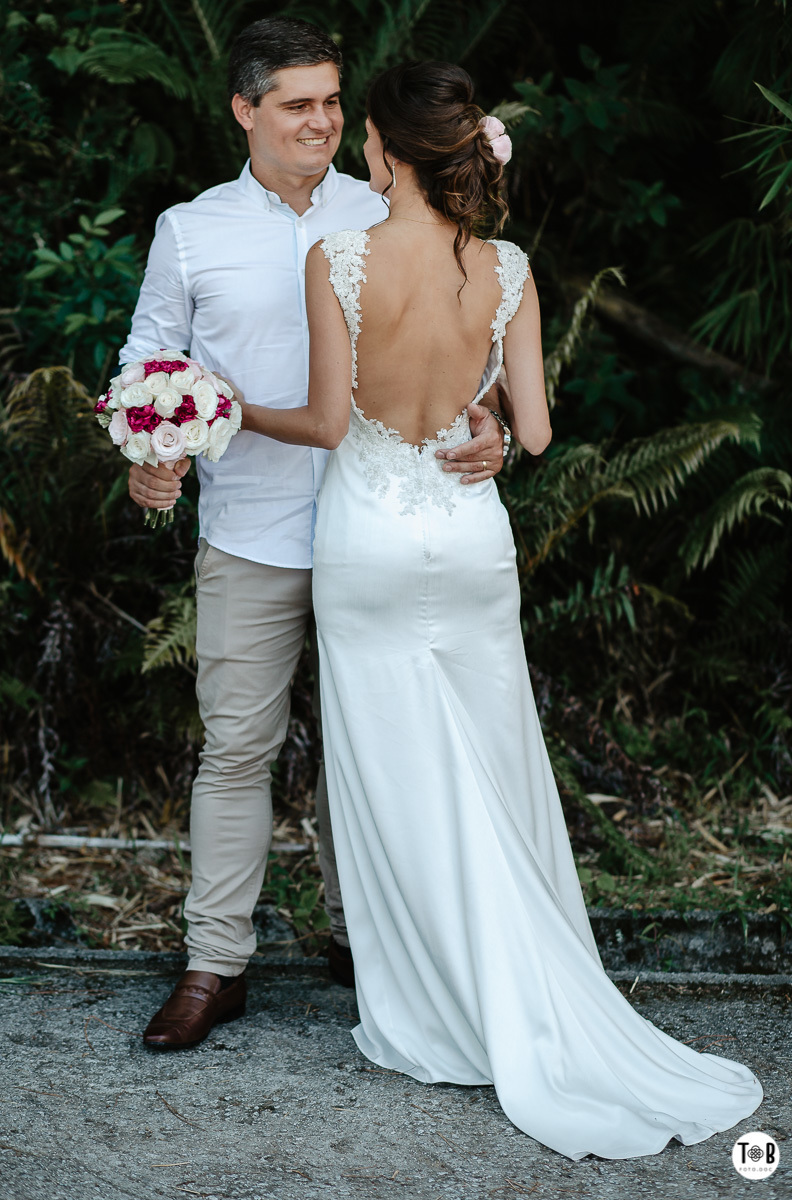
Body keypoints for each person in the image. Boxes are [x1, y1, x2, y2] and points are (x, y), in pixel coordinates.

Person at [234, 61, 764, 1160]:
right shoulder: (509, 267)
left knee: (391, 773)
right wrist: (472, 417)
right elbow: (527, 435)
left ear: (382, 146)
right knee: (489, 760)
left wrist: (231, 409)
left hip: (369, 540)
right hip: (470, 540)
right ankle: (523, 983)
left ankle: (430, 1011)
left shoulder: (334, 257)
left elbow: (331, 425)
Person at [121, 20, 507, 1050]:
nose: (323, 121)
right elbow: (149, 360)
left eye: (332, 101)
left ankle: (367, 941)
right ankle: (214, 963)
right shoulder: (190, 231)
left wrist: (494, 421)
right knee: (236, 749)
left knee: (374, 745)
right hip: (248, 530)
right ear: (243, 110)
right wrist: (145, 448)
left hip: (377, 532)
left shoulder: (388, 203)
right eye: (296, 103)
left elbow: (472, 332)